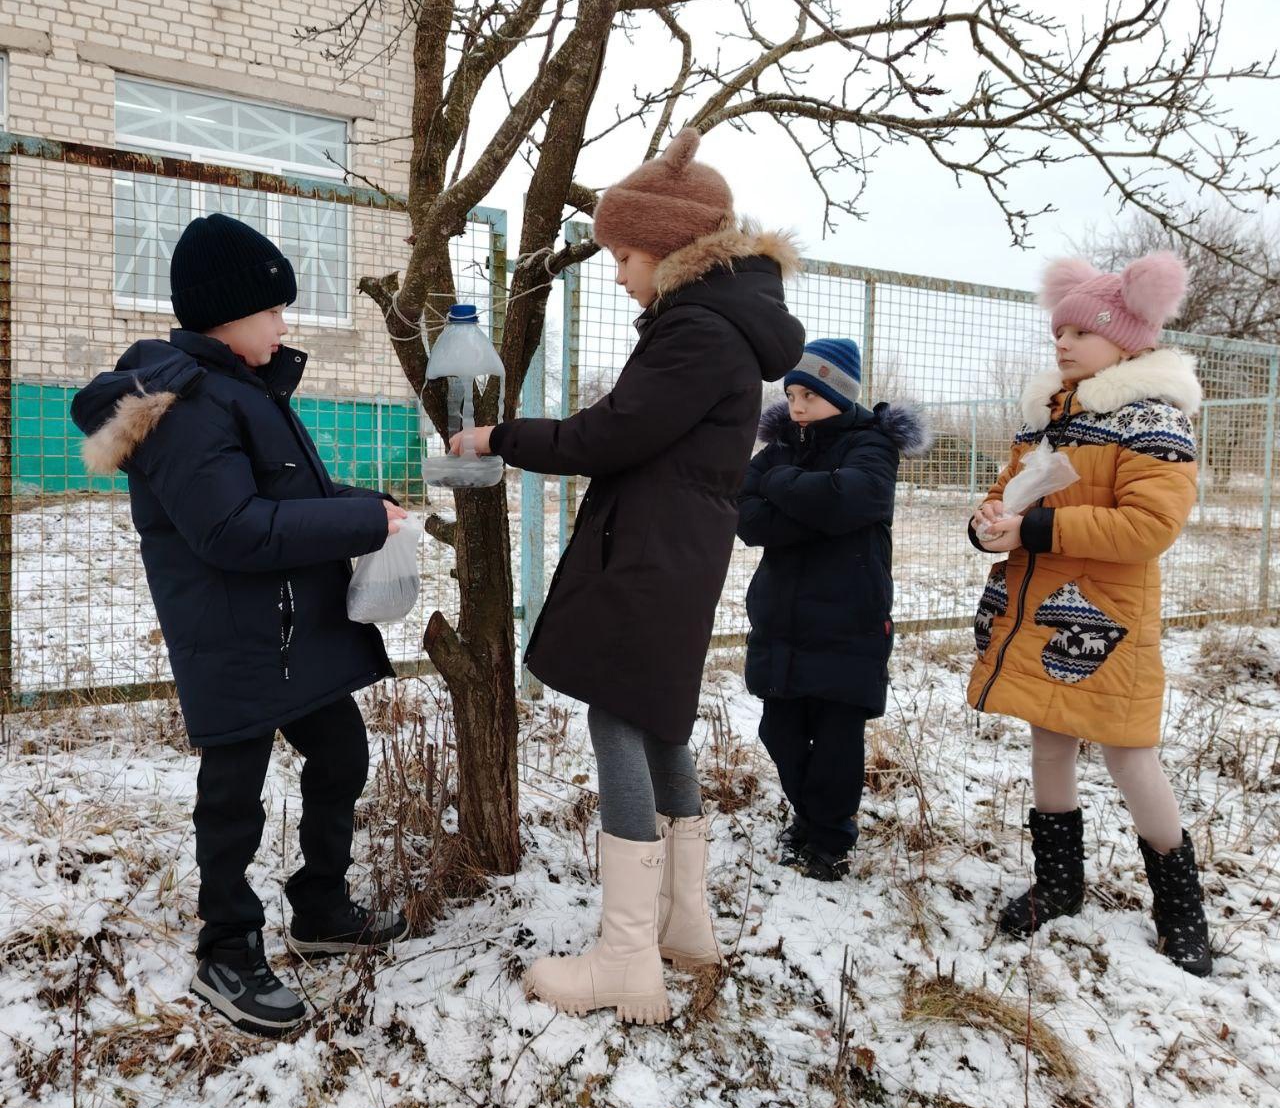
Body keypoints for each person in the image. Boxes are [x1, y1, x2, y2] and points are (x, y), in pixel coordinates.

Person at [454, 128, 806, 1022]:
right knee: (656, 722)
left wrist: (500, 437)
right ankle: (682, 928)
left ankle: (625, 960)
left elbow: (613, 433)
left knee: (621, 715)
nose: (617, 272)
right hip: (672, 548)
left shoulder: (697, 328)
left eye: (624, 254)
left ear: (670, 249)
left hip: (651, 552)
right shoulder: (721, 324)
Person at [71, 213, 409, 1036]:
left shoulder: (245, 388)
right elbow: (232, 530)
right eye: (275, 311)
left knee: (339, 751)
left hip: (290, 626)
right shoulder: (189, 404)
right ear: (229, 315)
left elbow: (284, 498)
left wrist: (370, 508)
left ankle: (320, 908)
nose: (285, 324)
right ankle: (226, 946)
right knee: (234, 796)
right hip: (233, 633)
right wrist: (362, 525)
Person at [967, 252, 1212, 975]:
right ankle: (1059, 883)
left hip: (1106, 621)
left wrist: (1036, 531)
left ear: (1129, 339)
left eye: (1080, 332)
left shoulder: (1151, 420)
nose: (1063, 344)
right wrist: (987, 520)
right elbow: (1008, 492)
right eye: (1058, 334)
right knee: (1049, 742)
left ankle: (1179, 905)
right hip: (1039, 614)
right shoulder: (1050, 416)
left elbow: (1149, 529)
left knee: (1129, 755)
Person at [737, 339, 929, 880]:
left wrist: (779, 487)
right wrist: (814, 506)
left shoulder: (872, 443)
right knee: (780, 732)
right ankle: (812, 815)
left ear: (839, 395)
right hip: (783, 619)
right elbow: (748, 516)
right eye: (792, 395)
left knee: (837, 742)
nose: (797, 407)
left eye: (810, 396)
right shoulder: (782, 445)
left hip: (849, 621)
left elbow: (855, 497)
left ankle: (829, 835)